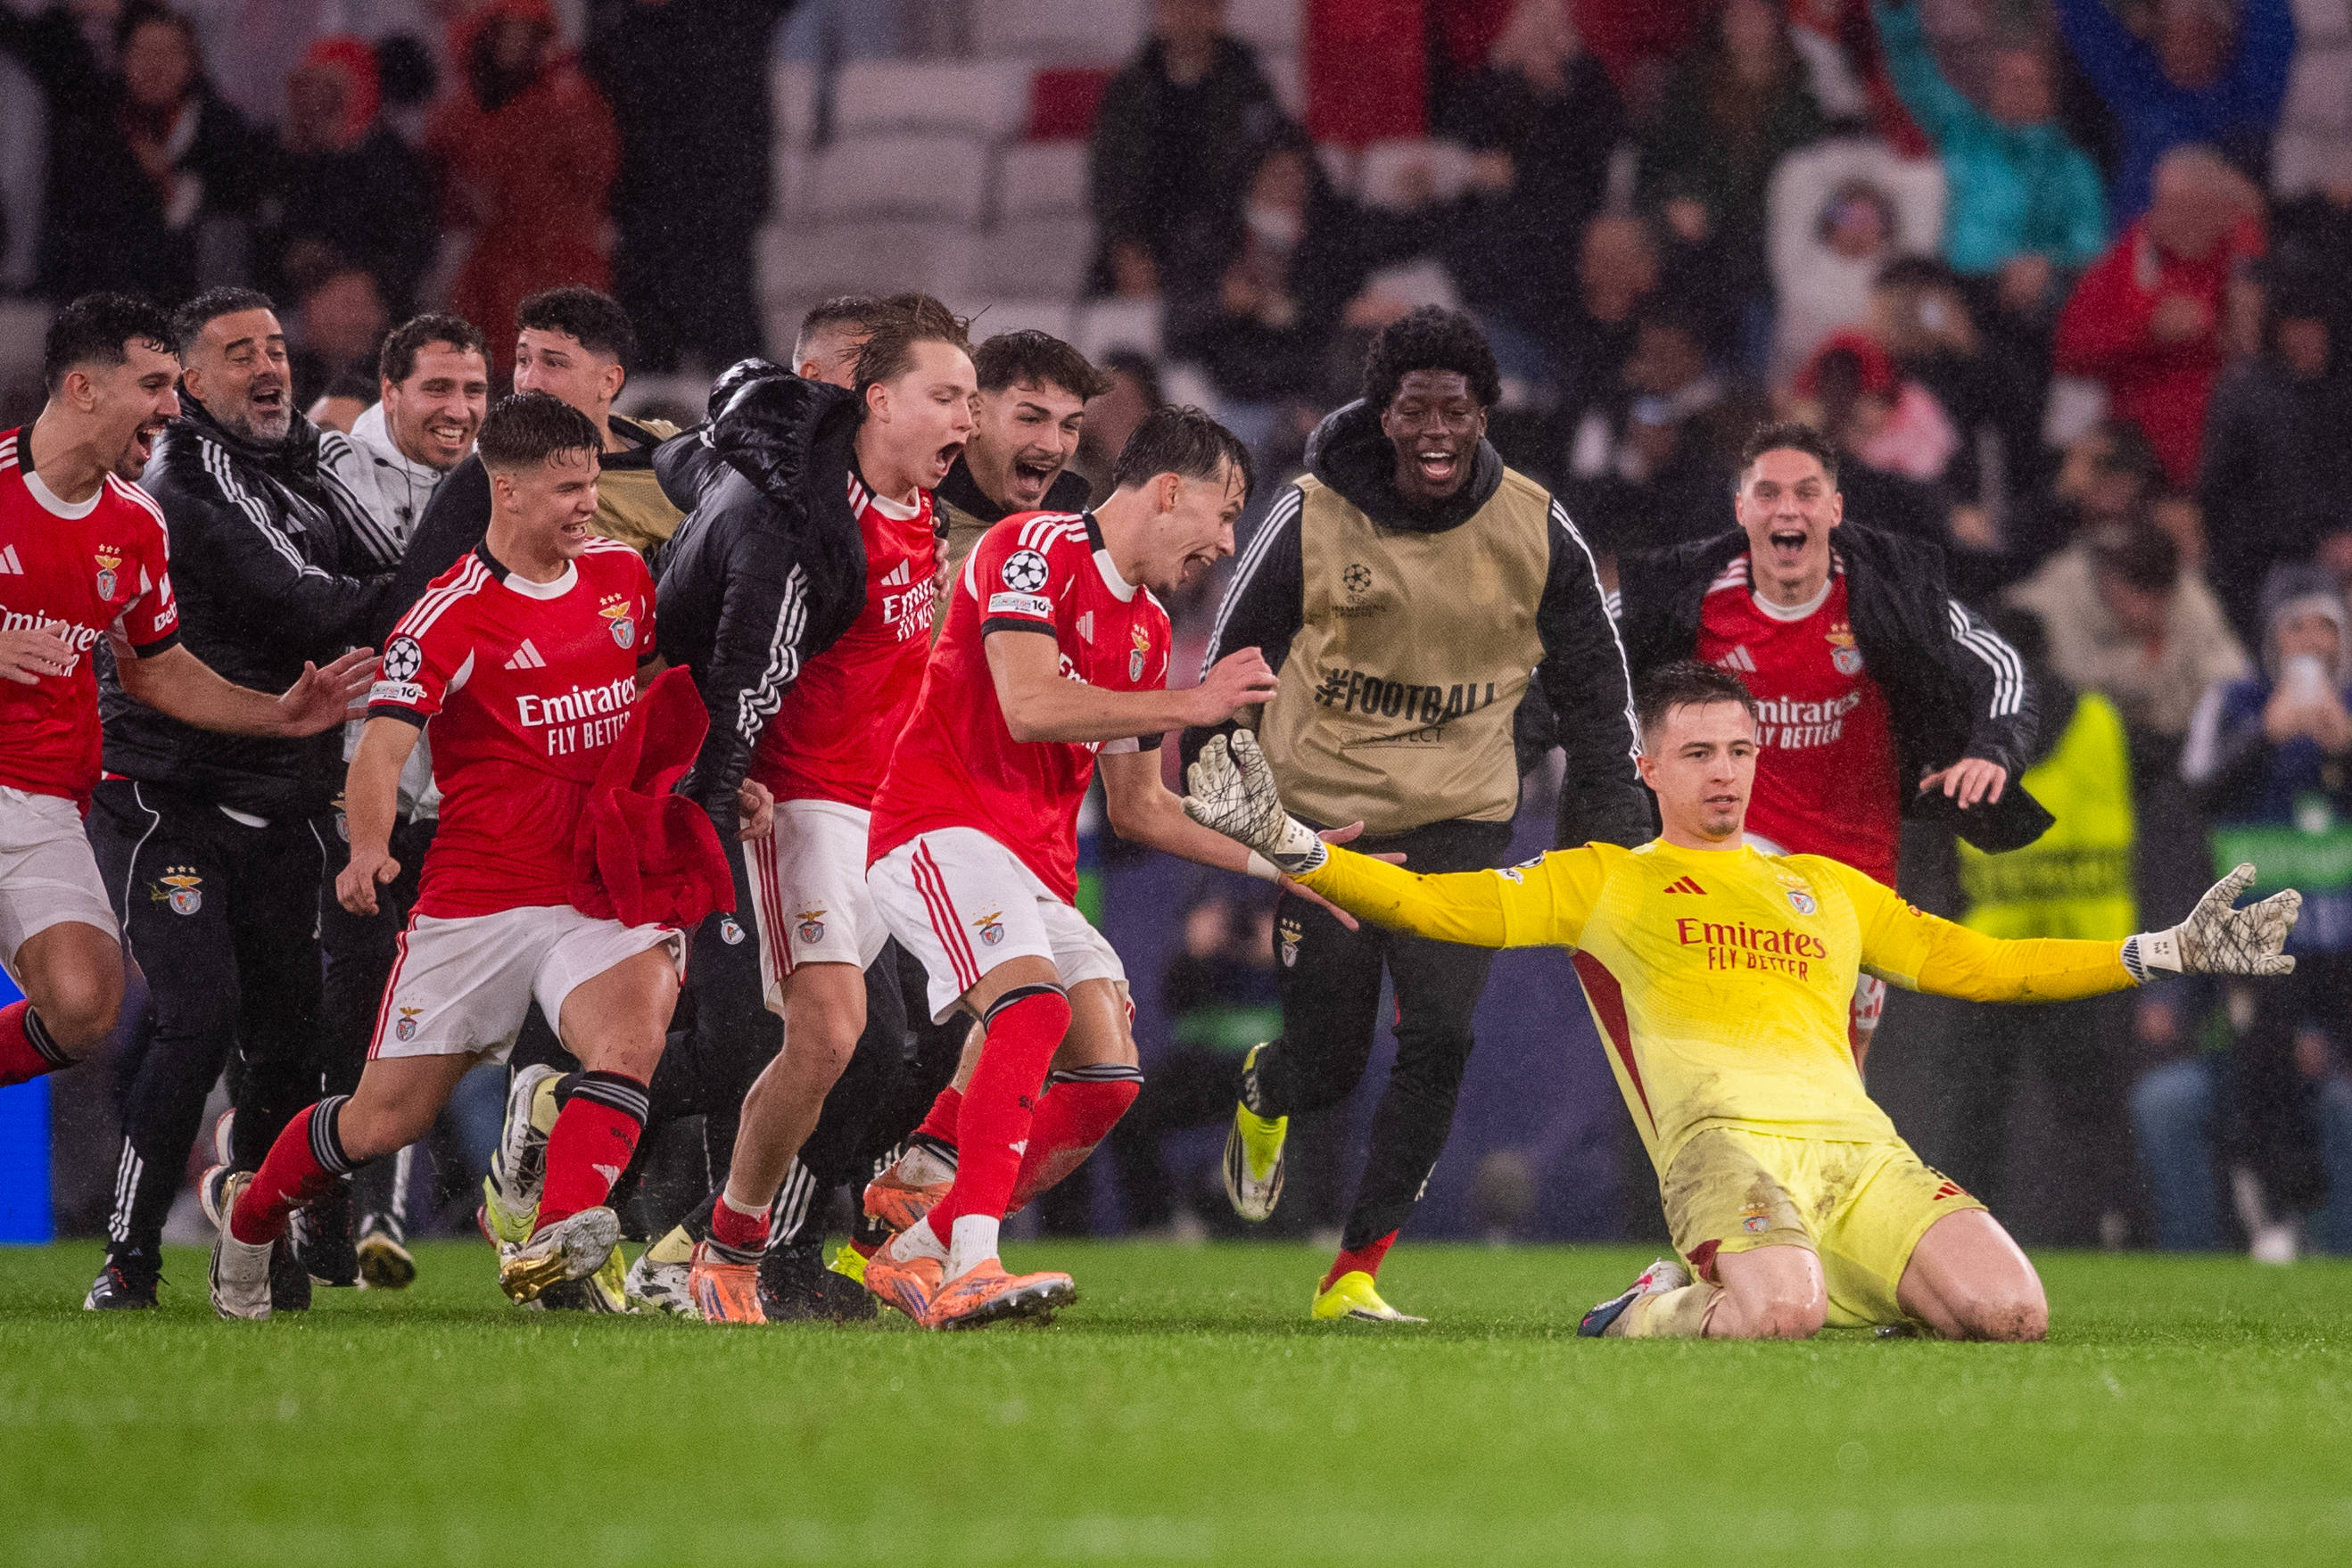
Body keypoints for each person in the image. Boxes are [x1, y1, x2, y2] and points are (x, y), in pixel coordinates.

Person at [1182, 663, 2301, 1340]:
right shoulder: (1607, 880)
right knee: (1781, 1317)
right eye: (1701, 753)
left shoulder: (1823, 886)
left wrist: (2155, 949)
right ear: (1649, 768)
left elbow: (1983, 965)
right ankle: (1650, 1306)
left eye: (1742, 751)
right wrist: (1287, 845)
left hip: (1861, 1154)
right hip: (1726, 1150)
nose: (1727, 772)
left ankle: (1822, 1271)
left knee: (2015, 1317)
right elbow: (1432, 906)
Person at [200, 391, 746, 1320]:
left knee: (632, 1034)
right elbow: (382, 748)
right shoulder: (448, 614)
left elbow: (659, 684)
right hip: (479, 898)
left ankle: (558, 1232)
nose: (588, 504)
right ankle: (251, 1218)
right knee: (384, 1121)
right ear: (508, 490)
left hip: (594, 885)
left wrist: (719, 775)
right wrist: (367, 848)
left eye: (590, 485)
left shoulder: (621, 578)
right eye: (568, 488)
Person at [1190, 306, 1647, 1322]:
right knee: (1332, 1061)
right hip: (1330, 825)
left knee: (1441, 1037)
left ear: (1486, 414)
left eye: (1457, 408)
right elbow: (1233, 653)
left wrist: (1609, 816)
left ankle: (1353, 1274)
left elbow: (1594, 681)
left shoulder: (1535, 524)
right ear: (1383, 414)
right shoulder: (1311, 510)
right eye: (1415, 408)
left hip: (1463, 824)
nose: (1436, 429)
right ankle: (1272, 1088)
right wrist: (1228, 779)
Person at [854, 405, 1285, 1330]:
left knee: (1107, 1078)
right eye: (1227, 508)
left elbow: (1140, 810)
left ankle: (915, 1247)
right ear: (1171, 489)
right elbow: (1025, 703)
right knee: (1033, 1008)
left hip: (1028, 869)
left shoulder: (1146, 626)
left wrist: (1283, 862)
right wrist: (1193, 701)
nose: (1227, 537)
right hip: (938, 828)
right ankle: (970, 1265)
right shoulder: (1031, 547)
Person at [1, 295, 371, 1309]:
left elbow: (158, 669)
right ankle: (137, 1254)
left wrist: (279, 713)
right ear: (83, 388)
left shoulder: (135, 521)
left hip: (40, 801)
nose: (167, 411)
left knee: (84, 1010)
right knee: (186, 1013)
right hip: (126, 799)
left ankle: (230, 1242)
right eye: (154, 386)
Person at [668, 300, 977, 1325]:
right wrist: (724, 781)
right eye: (947, 397)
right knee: (831, 1034)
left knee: (1026, 993)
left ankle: (912, 1213)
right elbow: (745, 668)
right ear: (875, 399)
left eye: (971, 400)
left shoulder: (916, 508)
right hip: (801, 804)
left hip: (895, 808)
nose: (965, 422)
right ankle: (729, 1248)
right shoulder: (809, 520)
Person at [1617, 423, 2051, 1078]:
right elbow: (1578, 649)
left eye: (1805, 493)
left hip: (1855, 867)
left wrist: (1992, 750)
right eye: (1767, 493)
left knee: (1839, 1074)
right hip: (1736, 851)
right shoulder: (1684, 595)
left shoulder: (1889, 595)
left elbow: (2000, 669)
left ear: (1834, 509)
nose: (1786, 509)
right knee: (1755, 1042)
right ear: (1741, 510)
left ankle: (1809, 1176)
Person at [311, 313, 491, 1289]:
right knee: (334, 1008)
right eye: (437, 389)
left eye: (473, 391)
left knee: (410, 1005)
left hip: (445, 798)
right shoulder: (331, 473)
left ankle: (368, 1204)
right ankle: (275, 1176)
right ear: (389, 390)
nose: (458, 410)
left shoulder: (496, 485)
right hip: (340, 788)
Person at [2163, 565, 2352, 1257]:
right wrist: (2265, 738)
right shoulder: (2235, 703)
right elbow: (2197, 793)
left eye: (2323, 625)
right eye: (2295, 625)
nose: (2310, 640)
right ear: (2271, 637)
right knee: (2263, 1071)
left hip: (2342, 934)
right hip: (2260, 936)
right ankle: (2274, 1215)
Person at [1943, 607, 2141, 1242]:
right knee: (2092, 1114)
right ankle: (2112, 1233)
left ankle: (1965, 1235)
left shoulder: (1971, 732)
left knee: (1976, 1111)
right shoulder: (2100, 720)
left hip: (1992, 953)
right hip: (2088, 951)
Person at [381, 288, 681, 639]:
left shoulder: (667, 446)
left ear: (609, 381)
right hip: (583, 663)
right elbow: (407, 617)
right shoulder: (491, 474)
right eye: (523, 361)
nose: (528, 382)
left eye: (553, 363)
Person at [584, 0, 794, 374]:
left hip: (714, 194)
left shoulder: (732, 15)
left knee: (721, 333)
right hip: (652, 196)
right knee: (651, 347)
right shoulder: (626, 24)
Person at [425, 0, 618, 385]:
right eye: (505, 31)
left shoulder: (570, 100)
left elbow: (597, 175)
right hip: (496, 265)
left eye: (524, 32)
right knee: (494, 373)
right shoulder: (469, 104)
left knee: (562, 373)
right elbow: (448, 179)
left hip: (559, 259)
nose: (513, 43)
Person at [1870, 0, 2107, 307]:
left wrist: (2048, 266)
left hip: (2041, 301)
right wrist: (1896, 11)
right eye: (2009, 81)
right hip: (1961, 292)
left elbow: (2090, 245)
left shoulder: (2073, 166)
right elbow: (1914, 70)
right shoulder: (1963, 133)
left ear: (2049, 95)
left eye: (2029, 82)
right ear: (1992, 89)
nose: (2019, 90)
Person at [2053, 145, 2264, 488]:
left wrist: (2221, 330)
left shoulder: (2242, 262)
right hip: (2137, 447)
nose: (2164, 217)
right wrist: (2146, 332)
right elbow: (2070, 349)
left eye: (2185, 208)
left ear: (2223, 214)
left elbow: (2255, 347)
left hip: (2228, 446)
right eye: (2163, 203)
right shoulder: (2133, 255)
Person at [35, 2, 260, 303]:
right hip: (110, 305)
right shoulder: (94, 128)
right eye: (142, 52)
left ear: (192, 63)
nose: (155, 65)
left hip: (195, 306)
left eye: (169, 53)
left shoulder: (224, 132)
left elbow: (233, 235)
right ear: (122, 59)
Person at [1087, 0, 1287, 299]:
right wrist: (1127, 249)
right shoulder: (1131, 86)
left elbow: (1274, 168)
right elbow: (1109, 178)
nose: (1187, 17)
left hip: (1224, 248)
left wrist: (1250, 257)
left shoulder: (1248, 85)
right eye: (1176, 6)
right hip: (1144, 247)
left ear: (1218, 14)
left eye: (1199, 7)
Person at [2198, 268, 2352, 642]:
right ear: (2279, 332)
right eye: (2299, 328)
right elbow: (2223, 499)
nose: (2310, 340)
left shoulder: (2339, 394)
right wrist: (2314, 542)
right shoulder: (2247, 398)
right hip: (2265, 564)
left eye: (2318, 329)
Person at [2052, 0, 2294, 222]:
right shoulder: (2140, 87)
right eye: (2173, 35)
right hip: (2139, 249)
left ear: (2223, 40)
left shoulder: (2246, 99)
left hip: (2213, 251)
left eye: (2198, 36)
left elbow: (2273, 31)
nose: (2184, 48)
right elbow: (2086, 22)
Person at [258, 37, 437, 322]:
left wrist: (344, 266)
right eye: (309, 88)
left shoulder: (391, 162)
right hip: (291, 316)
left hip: (369, 316)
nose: (315, 101)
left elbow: (413, 250)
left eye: (330, 90)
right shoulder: (281, 157)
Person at [937, 330, 1107, 579]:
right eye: (1030, 419)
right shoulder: (908, 519)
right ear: (974, 415)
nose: (1053, 446)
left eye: (1070, 426)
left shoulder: (1080, 533)